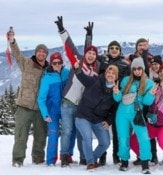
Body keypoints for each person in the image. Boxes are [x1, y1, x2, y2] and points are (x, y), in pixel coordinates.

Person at [55, 16, 98, 166]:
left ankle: (84, 157)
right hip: (68, 103)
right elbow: (70, 46)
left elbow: (90, 50)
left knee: (81, 133)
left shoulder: (97, 69)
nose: (91, 55)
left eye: (94, 54)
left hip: (83, 107)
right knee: (67, 131)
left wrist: (89, 37)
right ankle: (65, 156)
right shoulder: (77, 61)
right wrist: (62, 30)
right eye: (89, 53)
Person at [7, 28, 49, 167]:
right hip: (24, 106)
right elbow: (17, 54)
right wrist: (12, 41)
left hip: (40, 109)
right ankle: (18, 159)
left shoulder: (49, 70)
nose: (41, 53)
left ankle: (38, 158)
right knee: (20, 135)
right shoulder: (26, 63)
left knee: (41, 136)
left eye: (44, 52)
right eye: (39, 51)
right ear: (36, 53)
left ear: (46, 55)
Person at [113, 58, 157, 174]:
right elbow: (118, 99)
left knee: (143, 137)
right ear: (132, 70)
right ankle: (124, 161)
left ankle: (145, 163)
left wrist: (151, 94)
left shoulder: (149, 83)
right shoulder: (126, 80)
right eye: (134, 69)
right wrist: (116, 92)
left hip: (137, 113)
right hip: (122, 113)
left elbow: (147, 102)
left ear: (142, 69)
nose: (137, 71)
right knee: (123, 138)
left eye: (139, 69)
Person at [74, 64, 119, 171]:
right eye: (109, 72)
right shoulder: (95, 81)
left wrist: (108, 121)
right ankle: (90, 163)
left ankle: (92, 159)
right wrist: (76, 68)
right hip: (83, 115)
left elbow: (114, 110)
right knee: (87, 138)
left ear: (116, 77)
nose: (110, 74)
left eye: (113, 73)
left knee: (105, 143)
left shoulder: (116, 91)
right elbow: (81, 76)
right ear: (105, 73)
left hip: (98, 119)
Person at [97, 40, 131, 165]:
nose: (114, 49)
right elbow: (88, 53)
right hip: (104, 98)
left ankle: (117, 155)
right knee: (102, 127)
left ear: (120, 50)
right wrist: (89, 35)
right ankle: (102, 156)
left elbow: (128, 82)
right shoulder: (103, 61)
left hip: (118, 99)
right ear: (108, 49)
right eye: (112, 47)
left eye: (117, 47)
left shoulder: (125, 64)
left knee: (118, 129)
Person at [37, 52, 70, 166]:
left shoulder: (67, 73)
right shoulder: (47, 78)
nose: (57, 65)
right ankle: (51, 160)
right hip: (52, 111)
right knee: (53, 133)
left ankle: (67, 156)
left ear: (62, 63)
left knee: (69, 132)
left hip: (66, 108)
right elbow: (41, 99)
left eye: (59, 62)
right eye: (54, 63)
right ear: (51, 64)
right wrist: (45, 114)